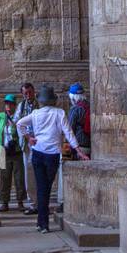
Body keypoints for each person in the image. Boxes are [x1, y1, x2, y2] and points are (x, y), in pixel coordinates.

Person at [16, 84, 88, 233]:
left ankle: (41, 222)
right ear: (53, 100)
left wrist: (29, 138)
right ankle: (43, 224)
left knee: (42, 188)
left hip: (37, 152)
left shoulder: (35, 113)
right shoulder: (59, 113)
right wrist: (78, 150)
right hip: (52, 155)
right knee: (46, 188)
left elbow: (19, 124)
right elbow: (68, 132)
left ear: (41, 100)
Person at [0, 94, 26, 211]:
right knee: (4, 177)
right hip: (3, 150)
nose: (8, 106)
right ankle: (4, 202)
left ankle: (20, 201)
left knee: (19, 177)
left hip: (16, 150)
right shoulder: (1, 116)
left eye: (10, 104)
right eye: (6, 103)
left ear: (14, 105)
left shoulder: (18, 117)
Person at [13, 81, 39, 214]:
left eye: (29, 93)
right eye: (25, 93)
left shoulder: (40, 103)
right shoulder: (21, 106)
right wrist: (26, 136)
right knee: (29, 173)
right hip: (27, 143)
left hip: (40, 142)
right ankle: (33, 203)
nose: (28, 95)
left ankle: (41, 202)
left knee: (41, 172)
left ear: (34, 91)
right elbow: (17, 121)